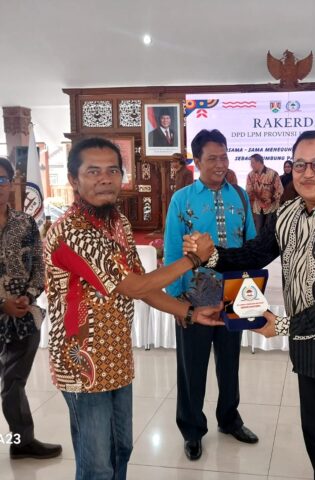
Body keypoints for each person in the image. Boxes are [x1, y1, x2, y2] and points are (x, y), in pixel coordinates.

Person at [185, 130, 315, 479]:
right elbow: (254, 254)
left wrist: (282, 326)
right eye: (300, 164)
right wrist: (211, 256)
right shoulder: (288, 213)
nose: (307, 173)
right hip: (307, 351)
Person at [44, 137, 223, 480]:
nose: (105, 179)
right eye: (93, 171)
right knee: (97, 466)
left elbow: (144, 287)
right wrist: (193, 259)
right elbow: (134, 286)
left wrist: (187, 312)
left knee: (121, 450)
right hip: (82, 365)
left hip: (116, 357)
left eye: (113, 170)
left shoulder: (119, 223)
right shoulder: (70, 232)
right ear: (73, 180)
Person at [164, 129, 258, 462]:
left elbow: (251, 245)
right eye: (213, 158)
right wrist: (177, 299)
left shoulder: (241, 197)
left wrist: (249, 291)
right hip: (194, 295)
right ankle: (192, 430)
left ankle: (230, 419)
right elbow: (172, 249)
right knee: (193, 368)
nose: (221, 164)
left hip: (233, 293)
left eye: (224, 156)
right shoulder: (182, 199)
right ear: (197, 161)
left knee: (230, 364)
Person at [0, 157, 62, 460]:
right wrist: (2, 305)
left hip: (23, 317)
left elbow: (40, 267)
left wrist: (28, 296)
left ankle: (21, 442)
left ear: (11, 184)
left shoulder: (25, 223)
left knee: (14, 384)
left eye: (2, 180)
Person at [246, 153, 283, 234]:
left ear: (259, 162)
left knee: (269, 232)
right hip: (257, 208)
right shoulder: (250, 175)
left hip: (271, 208)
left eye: (252, 163)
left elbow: (280, 190)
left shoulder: (273, 174)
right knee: (257, 231)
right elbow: (248, 191)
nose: (251, 165)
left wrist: (271, 199)